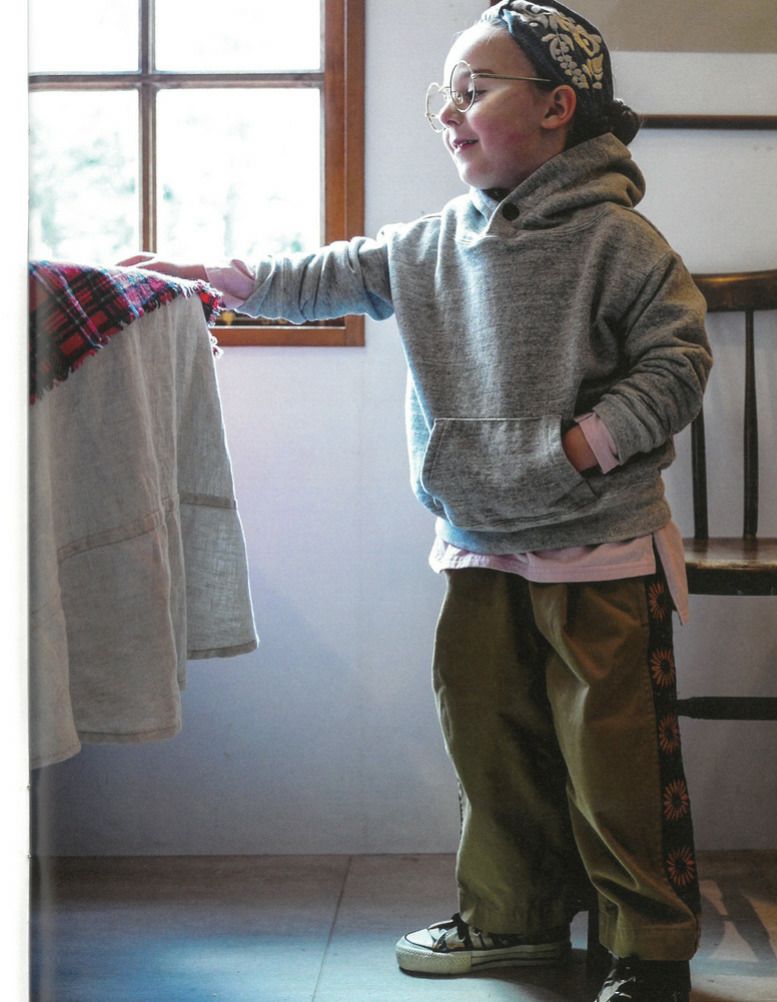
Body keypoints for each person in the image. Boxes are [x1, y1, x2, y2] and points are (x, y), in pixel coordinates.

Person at [122, 4, 712, 999]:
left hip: (599, 549)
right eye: (446, 92)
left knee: (614, 761)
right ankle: (515, 918)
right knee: (490, 744)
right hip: (480, 542)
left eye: (474, 89)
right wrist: (213, 278)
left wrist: (580, 447)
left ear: (558, 107)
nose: (448, 111)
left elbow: (677, 362)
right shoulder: (436, 242)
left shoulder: (620, 242)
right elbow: (323, 276)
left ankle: (648, 949)